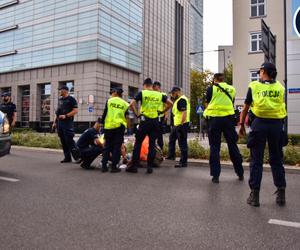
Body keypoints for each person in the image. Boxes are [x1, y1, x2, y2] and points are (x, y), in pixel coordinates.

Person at [239, 62, 287, 207]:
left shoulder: (254, 86)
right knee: (277, 158)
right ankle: (281, 193)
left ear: (263, 71)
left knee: (256, 160)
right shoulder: (280, 87)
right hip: (276, 125)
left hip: (259, 124)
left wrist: (241, 125)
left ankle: (255, 196)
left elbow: (246, 108)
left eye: (260, 70)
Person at [126, 78, 173, 174]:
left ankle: (134, 167)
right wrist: (162, 111)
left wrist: (137, 114)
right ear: (151, 85)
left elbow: (131, 103)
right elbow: (170, 104)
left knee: (138, 143)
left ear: (145, 85)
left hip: (144, 121)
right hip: (155, 122)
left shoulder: (142, 93)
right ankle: (149, 167)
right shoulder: (160, 95)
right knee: (152, 145)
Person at [203, 73, 244, 183]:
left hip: (214, 120)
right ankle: (240, 172)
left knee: (215, 147)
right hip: (228, 120)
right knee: (232, 145)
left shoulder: (211, 89)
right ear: (223, 79)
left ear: (215, 80)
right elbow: (231, 102)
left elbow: (207, 104)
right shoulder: (231, 89)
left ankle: (215, 176)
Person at [101, 87, 129, 173]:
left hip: (109, 127)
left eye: (112, 92)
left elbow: (104, 113)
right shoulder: (125, 103)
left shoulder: (109, 101)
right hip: (120, 127)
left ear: (116, 92)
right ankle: (114, 167)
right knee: (117, 147)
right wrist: (127, 127)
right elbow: (127, 117)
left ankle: (104, 166)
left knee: (107, 147)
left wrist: (102, 124)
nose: (111, 94)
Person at [52, 86, 80, 163]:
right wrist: (54, 122)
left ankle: (78, 157)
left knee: (69, 140)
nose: (59, 92)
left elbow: (75, 111)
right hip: (59, 123)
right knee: (63, 141)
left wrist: (66, 115)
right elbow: (57, 113)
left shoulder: (71, 99)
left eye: (60, 90)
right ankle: (67, 158)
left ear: (65, 90)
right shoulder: (60, 100)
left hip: (68, 123)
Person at [169, 87, 190, 168]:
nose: (172, 95)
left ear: (177, 92)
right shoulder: (178, 100)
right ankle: (171, 155)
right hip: (177, 125)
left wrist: (181, 124)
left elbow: (184, 113)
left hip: (181, 125)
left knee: (182, 143)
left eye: (173, 93)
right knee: (172, 138)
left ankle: (183, 162)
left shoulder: (182, 100)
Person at [153, 81, 168, 150]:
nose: (153, 89)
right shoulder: (153, 94)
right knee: (153, 133)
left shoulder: (163, 95)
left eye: (154, 87)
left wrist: (166, 115)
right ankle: (153, 148)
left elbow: (166, 105)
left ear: (158, 87)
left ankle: (160, 149)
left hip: (160, 117)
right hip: (153, 116)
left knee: (159, 134)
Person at [166, 96, 178, 160]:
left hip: (178, 124)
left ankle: (172, 155)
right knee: (172, 139)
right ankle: (171, 155)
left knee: (180, 141)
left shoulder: (176, 104)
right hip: (175, 125)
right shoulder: (174, 106)